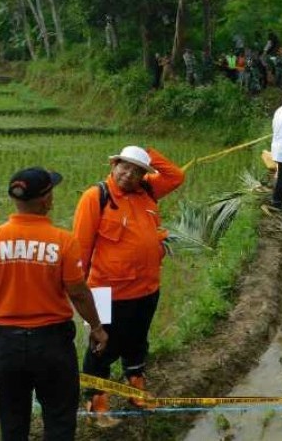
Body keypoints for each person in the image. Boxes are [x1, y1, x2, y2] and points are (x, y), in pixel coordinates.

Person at [0, 169, 107, 441]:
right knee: (59, 421)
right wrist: (96, 327)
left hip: (7, 348)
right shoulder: (63, 241)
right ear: (45, 200)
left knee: (13, 423)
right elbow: (79, 294)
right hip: (53, 345)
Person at [74, 146, 185, 414]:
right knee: (102, 346)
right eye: (125, 166)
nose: (128, 174)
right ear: (114, 165)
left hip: (147, 288)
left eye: (137, 170)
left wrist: (147, 152)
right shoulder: (96, 196)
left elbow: (176, 176)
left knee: (137, 341)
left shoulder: (147, 191)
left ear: (143, 176)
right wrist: (80, 292)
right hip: (108, 292)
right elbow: (80, 249)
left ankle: (136, 388)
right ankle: (96, 399)